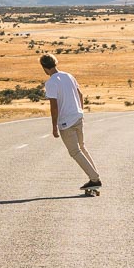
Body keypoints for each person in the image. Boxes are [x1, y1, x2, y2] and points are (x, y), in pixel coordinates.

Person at [40, 53, 101, 192]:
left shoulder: (51, 83)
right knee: (82, 148)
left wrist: (54, 127)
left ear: (44, 67)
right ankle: (94, 179)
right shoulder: (69, 76)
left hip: (66, 122)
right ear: (55, 63)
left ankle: (95, 179)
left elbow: (54, 106)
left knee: (75, 152)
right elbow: (80, 94)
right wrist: (80, 110)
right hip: (78, 116)